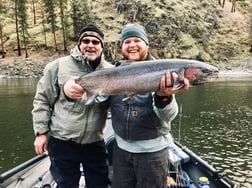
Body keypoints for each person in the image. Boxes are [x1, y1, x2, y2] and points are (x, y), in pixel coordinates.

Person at [109, 23, 190, 188]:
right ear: (122, 47)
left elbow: (168, 116)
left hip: (152, 154)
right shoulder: (112, 73)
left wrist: (164, 96)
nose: (132, 45)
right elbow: (97, 102)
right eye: (127, 41)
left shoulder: (164, 72)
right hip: (121, 151)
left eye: (137, 40)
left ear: (147, 44)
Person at [32, 23, 112, 188]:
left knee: (99, 184)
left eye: (96, 42)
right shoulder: (58, 66)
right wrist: (41, 133)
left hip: (94, 142)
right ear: (79, 44)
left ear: (102, 47)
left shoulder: (111, 71)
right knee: (66, 184)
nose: (90, 45)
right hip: (62, 142)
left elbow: (117, 105)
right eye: (86, 41)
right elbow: (42, 99)